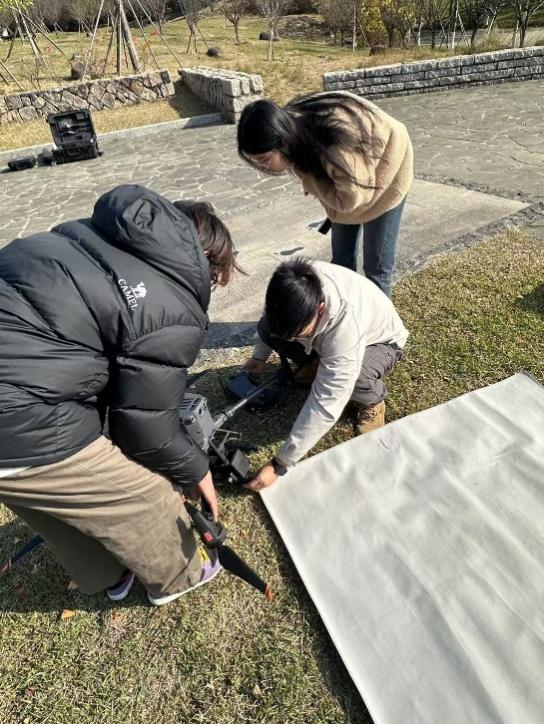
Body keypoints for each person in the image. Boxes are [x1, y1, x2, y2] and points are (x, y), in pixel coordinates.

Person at [0, 184, 239, 606]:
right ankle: (181, 575)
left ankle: (107, 572)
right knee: (147, 497)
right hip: (15, 414)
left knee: (43, 496)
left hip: (16, 400)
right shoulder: (170, 304)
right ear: (206, 260)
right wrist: (196, 470)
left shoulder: (77, 233)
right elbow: (146, 432)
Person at [243, 257, 408, 492]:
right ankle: (318, 361)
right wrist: (259, 357)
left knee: (356, 377)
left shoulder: (345, 321)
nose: (293, 340)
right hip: (328, 339)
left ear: (320, 308)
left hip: (381, 342)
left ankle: (372, 402)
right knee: (267, 330)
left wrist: (280, 464)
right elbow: (269, 320)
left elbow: (328, 400)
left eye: (299, 333)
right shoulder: (286, 286)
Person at [237, 91, 413, 298]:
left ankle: (381, 319)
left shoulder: (333, 146)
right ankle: (347, 310)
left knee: (377, 268)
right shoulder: (294, 132)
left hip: (389, 169)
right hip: (357, 174)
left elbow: (350, 200)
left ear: (282, 140)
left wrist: (310, 182)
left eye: (264, 160)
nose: (263, 168)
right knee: (341, 262)